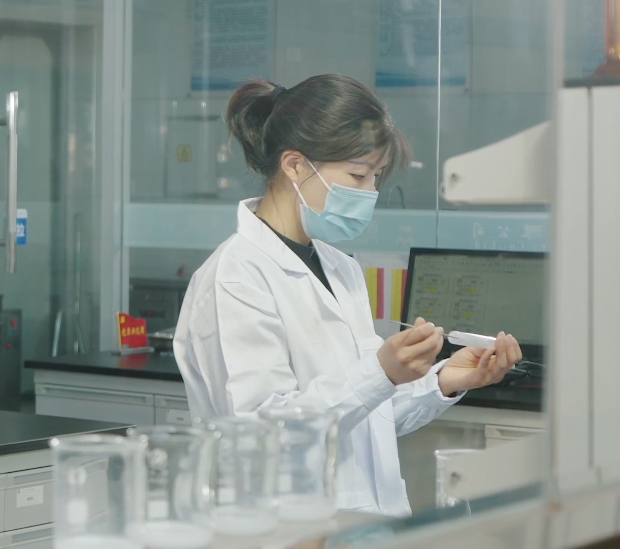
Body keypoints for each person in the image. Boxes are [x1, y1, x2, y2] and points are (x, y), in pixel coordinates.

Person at [173, 75, 522, 517]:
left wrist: (441, 380)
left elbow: (366, 417)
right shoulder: (235, 278)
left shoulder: (341, 268)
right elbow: (260, 437)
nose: (370, 192)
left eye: (376, 177)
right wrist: (381, 372)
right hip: (286, 532)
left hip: (364, 529)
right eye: (358, 174)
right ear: (295, 165)